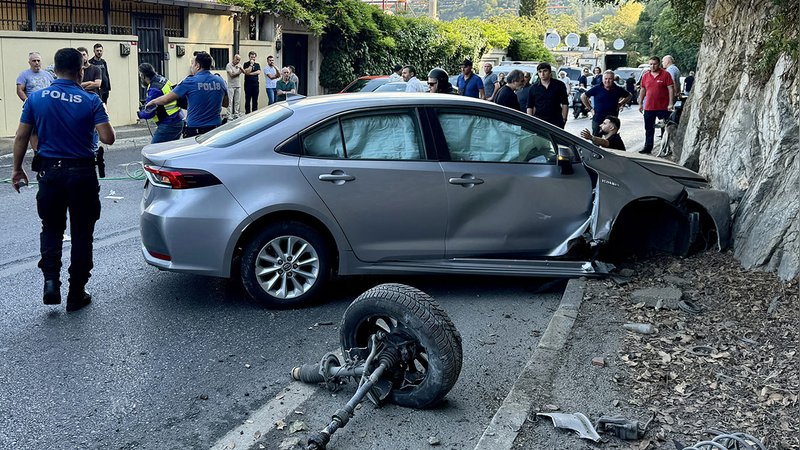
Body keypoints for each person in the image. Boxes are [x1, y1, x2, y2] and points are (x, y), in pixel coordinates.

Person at [11, 47, 116, 312]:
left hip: (50, 174)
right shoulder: (90, 100)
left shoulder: (35, 99)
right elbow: (108, 138)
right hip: (82, 174)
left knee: (51, 228)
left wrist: (17, 169)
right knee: (82, 233)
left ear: (54, 69)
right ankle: (77, 292)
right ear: (81, 71)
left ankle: (50, 282)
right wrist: (99, 114)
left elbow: (22, 136)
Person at [146, 51, 228, 138]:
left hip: (195, 131)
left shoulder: (190, 82)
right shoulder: (220, 81)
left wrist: (152, 102)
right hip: (215, 130)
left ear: (198, 66)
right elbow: (226, 104)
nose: (191, 66)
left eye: (192, 64)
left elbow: (166, 99)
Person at [136, 63, 184, 144]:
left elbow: (149, 113)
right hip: (178, 120)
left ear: (143, 76)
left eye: (140, 75)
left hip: (169, 123)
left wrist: (140, 114)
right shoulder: (161, 79)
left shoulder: (154, 88)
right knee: (168, 151)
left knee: (154, 149)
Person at [638, 56, 675, 154]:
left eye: (654, 64)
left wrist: (670, 103)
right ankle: (648, 147)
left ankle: (666, 147)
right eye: (650, 64)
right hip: (649, 107)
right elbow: (643, 89)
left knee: (665, 128)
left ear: (658, 64)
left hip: (663, 107)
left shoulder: (666, 74)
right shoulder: (646, 75)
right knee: (649, 128)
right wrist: (640, 103)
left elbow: (670, 88)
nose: (652, 66)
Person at [581, 70, 631, 136]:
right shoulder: (597, 88)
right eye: (605, 79)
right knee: (596, 139)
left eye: (610, 79)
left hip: (612, 121)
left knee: (611, 140)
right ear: (602, 79)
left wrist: (620, 103)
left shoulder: (618, 89)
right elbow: (583, 96)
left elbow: (629, 96)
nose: (607, 81)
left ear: (613, 79)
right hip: (598, 118)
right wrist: (590, 109)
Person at [526, 62, 569, 128]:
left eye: (545, 71)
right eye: (540, 72)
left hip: (556, 120)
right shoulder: (533, 88)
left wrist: (564, 119)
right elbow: (529, 106)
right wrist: (530, 121)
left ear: (550, 72)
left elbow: (565, 103)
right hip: (539, 121)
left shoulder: (559, 85)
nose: (542, 74)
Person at [225, 54, 243, 119]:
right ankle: (229, 115)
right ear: (234, 58)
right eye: (237, 59)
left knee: (237, 101)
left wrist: (241, 69)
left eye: (239, 60)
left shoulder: (239, 65)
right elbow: (231, 75)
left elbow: (244, 72)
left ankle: (236, 113)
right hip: (231, 86)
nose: (238, 61)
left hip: (238, 85)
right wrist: (239, 72)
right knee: (230, 101)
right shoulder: (229, 65)